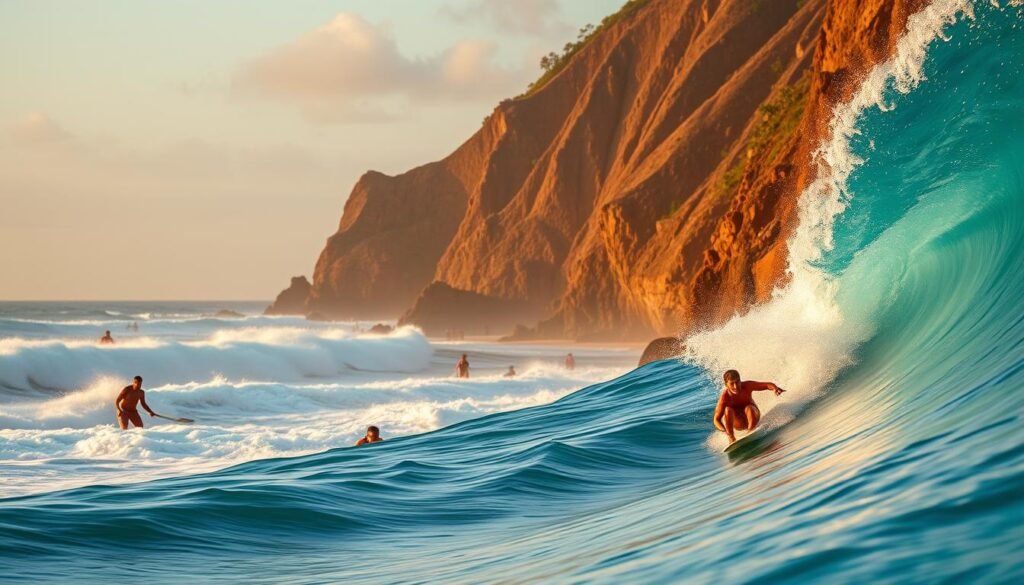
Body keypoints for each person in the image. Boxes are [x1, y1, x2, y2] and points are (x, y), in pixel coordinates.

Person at [713, 369, 785, 444]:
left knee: (749, 408)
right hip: (738, 423)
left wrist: (775, 388)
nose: (736, 386)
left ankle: (751, 431)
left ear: (740, 380)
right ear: (726, 384)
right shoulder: (724, 398)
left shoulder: (747, 386)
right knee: (728, 410)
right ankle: (731, 437)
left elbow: (766, 385)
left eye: (737, 382)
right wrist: (725, 431)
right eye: (732, 383)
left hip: (753, 416)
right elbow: (716, 420)